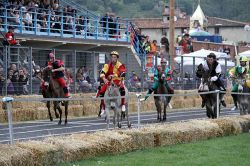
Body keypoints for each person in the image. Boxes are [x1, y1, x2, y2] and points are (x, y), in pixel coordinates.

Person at [96, 51, 126, 115]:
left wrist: (114, 75)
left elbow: (122, 72)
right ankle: (103, 108)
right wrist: (104, 78)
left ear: (117, 58)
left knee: (122, 89)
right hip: (109, 81)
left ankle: (123, 105)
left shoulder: (120, 65)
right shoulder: (107, 65)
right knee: (101, 92)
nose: (113, 59)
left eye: (114, 57)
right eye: (112, 57)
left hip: (118, 80)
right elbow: (102, 72)